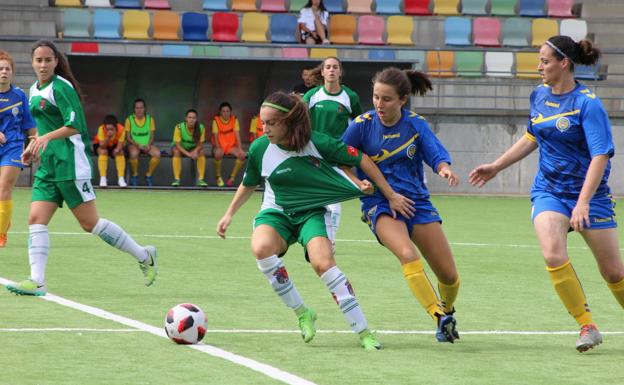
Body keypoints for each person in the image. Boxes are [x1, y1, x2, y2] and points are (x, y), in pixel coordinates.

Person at [216, 91, 415, 350]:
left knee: (323, 264)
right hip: (276, 213)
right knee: (261, 249)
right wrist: (229, 214)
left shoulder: (319, 143)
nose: (264, 129)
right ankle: (302, 312)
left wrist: (382, 192)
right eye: (262, 122)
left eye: (271, 123)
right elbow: (249, 183)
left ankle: (364, 331)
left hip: (311, 212)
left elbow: (361, 159)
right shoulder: (259, 148)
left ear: (289, 122)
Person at [469, 36, 624, 353]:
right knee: (553, 253)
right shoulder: (538, 96)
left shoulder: (587, 104)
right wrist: (497, 166)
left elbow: (600, 156)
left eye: (544, 61)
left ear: (563, 63)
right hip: (549, 190)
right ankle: (587, 325)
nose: (538, 67)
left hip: (589, 196)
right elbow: (531, 136)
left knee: (613, 272)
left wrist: (582, 203)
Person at [5, 40, 158, 297]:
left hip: (70, 164)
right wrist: (33, 148)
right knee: (35, 219)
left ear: (56, 62)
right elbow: (42, 131)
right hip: (48, 167)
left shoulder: (61, 88)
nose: (42, 65)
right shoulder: (33, 89)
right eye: (38, 60)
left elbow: (76, 127)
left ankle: (144, 255)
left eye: (47, 60)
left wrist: (46, 138)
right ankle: (37, 281)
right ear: (31, 63)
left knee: (90, 224)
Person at [342, 67, 461, 343]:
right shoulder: (361, 125)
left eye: (386, 99)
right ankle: (440, 319)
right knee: (407, 254)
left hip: (416, 203)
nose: (379, 105)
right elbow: (340, 159)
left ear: (402, 100)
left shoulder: (415, 124)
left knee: (449, 275)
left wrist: (443, 168)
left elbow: (435, 154)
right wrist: (357, 182)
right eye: (375, 97)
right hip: (379, 203)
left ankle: (448, 309)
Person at [304, 56, 363, 244]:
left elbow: (359, 123)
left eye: (335, 67)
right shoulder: (312, 96)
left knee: (334, 200)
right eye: (327, 67)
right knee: (314, 199)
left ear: (340, 72)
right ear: (322, 72)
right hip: (313, 154)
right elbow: (299, 120)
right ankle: (315, 237)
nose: (331, 70)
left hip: (337, 155)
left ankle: (330, 240)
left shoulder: (350, 97)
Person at [0, 50, 37, 247]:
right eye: (0, 69)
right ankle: (4, 220)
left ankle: (1, 233)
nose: (3, 72)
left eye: (7, 68)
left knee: (4, 188)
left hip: (13, 147)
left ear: (12, 72)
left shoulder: (19, 95)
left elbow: (29, 124)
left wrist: (34, 143)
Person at [125, 98, 161, 187]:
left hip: (147, 145)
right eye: (137, 108)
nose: (139, 110)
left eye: (141, 108)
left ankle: (148, 175)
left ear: (144, 109)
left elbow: (152, 135)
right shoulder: (129, 119)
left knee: (157, 154)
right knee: (133, 154)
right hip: (134, 144)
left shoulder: (150, 119)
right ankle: (135, 175)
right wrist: (138, 145)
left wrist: (149, 145)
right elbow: (128, 137)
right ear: (134, 109)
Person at [212, 102, 246, 187]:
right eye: (223, 111)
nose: (225, 113)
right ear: (220, 112)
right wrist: (218, 147)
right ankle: (218, 176)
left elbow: (237, 134)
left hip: (231, 146)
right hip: (220, 146)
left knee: (242, 155)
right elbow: (215, 136)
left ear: (230, 112)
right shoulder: (216, 120)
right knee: (218, 154)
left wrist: (240, 148)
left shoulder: (234, 119)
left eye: (227, 111)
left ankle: (232, 177)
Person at [171, 108, 208, 187]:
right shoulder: (179, 127)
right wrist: (189, 154)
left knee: (201, 152)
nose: (191, 120)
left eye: (193, 118)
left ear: (196, 119)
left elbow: (201, 144)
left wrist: (194, 152)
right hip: (181, 148)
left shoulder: (201, 127)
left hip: (193, 149)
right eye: (189, 117)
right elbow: (177, 144)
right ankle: (177, 179)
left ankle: (200, 179)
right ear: (186, 118)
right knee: (176, 152)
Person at [92, 114, 127, 187]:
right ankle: (103, 178)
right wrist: (108, 137)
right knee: (103, 151)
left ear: (116, 127)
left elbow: (120, 145)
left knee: (120, 152)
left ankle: (121, 179)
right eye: (107, 129)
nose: (109, 131)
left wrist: (117, 150)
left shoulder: (121, 129)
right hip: (102, 144)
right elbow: (102, 146)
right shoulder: (101, 129)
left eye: (112, 129)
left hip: (115, 144)